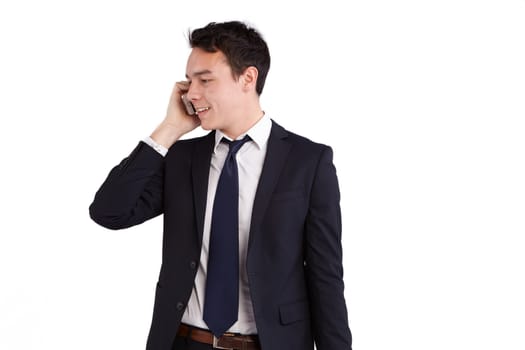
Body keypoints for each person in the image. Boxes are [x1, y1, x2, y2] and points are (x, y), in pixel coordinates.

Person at [89, 20, 352, 350]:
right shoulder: (181, 158)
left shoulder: (308, 162)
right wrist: (169, 129)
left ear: (248, 78)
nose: (192, 92)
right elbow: (108, 212)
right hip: (185, 342)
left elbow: (326, 277)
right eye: (189, 80)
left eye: (205, 80)